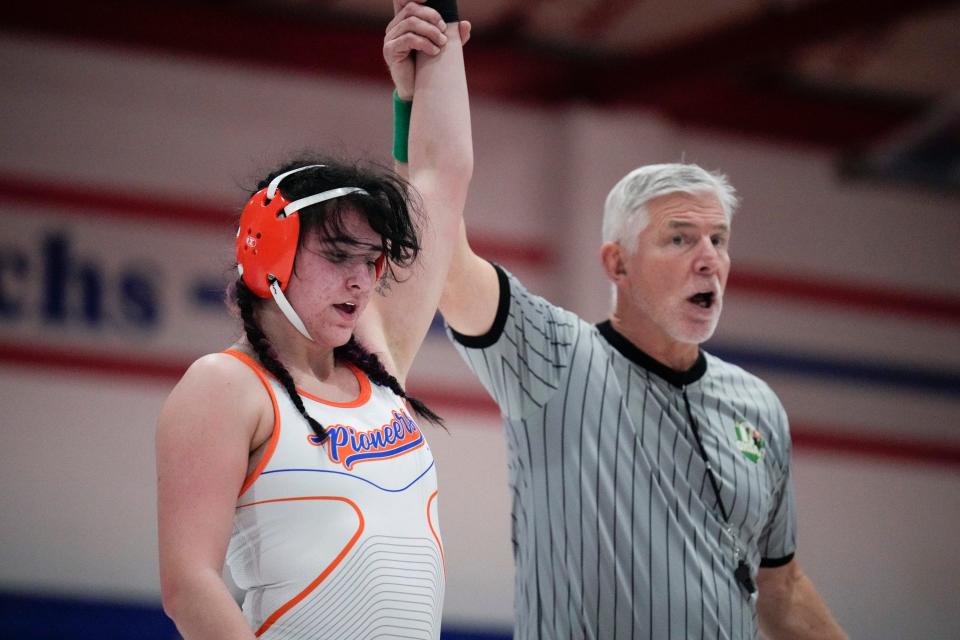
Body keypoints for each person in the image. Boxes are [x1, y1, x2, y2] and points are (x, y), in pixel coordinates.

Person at [393, 33, 847, 635]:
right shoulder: (556, 358)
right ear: (617, 264)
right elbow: (440, 253)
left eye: (719, 239)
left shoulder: (758, 406)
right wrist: (416, 92)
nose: (709, 258)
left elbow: (781, 587)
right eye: (681, 238)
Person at [155, 2, 471, 638]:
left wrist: (426, 64)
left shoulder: (377, 364)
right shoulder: (225, 387)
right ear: (268, 252)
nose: (360, 278)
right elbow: (189, 587)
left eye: (371, 259)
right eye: (336, 256)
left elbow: (444, 174)